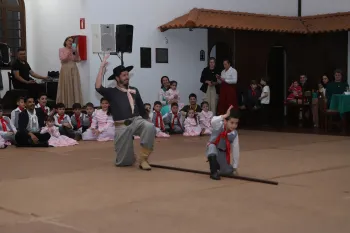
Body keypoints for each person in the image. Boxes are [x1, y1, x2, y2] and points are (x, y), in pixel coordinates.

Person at [95, 54, 155, 170]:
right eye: (123, 75)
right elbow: (98, 87)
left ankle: (143, 159)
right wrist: (102, 67)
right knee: (124, 163)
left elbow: (142, 108)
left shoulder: (134, 90)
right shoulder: (111, 92)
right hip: (122, 126)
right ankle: (129, 156)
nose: (127, 77)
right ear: (117, 78)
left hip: (136, 121)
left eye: (127, 75)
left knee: (149, 127)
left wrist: (147, 120)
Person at [206, 105, 240, 180]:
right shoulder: (219, 125)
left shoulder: (234, 134)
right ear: (225, 121)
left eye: (236, 123)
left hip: (222, 153)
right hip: (213, 148)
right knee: (212, 147)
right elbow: (213, 121)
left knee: (227, 171)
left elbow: (235, 150)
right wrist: (225, 115)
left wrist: (235, 167)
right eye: (232, 122)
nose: (234, 125)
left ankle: (219, 166)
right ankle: (213, 172)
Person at [56, 36, 83, 106]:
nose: (70, 42)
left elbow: (78, 60)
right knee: (66, 85)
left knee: (74, 86)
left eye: (72, 41)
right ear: (65, 42)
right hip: (65, 70)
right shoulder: (61, 49)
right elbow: (63, 58)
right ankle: (65, 104)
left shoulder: (74, 50)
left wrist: (76, 52)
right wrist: (69, 51)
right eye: (69, 41)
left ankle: (76, 104)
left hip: (73, 69)